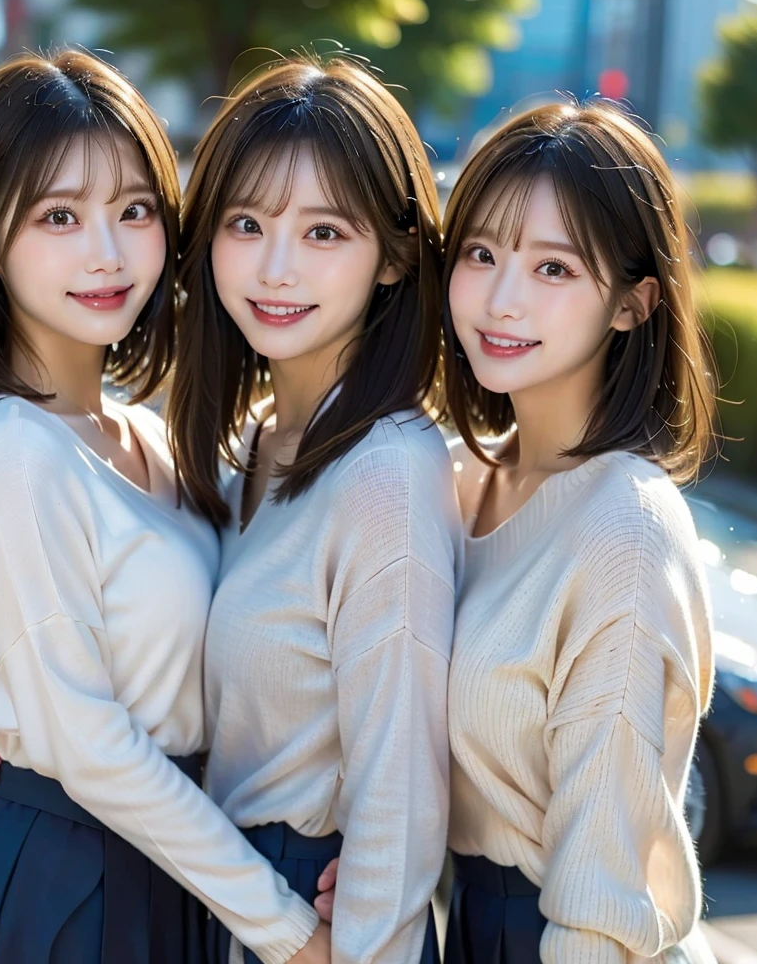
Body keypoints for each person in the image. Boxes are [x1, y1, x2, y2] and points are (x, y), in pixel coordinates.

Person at [0, 49, 328, 964]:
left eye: (134, 210)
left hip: (168, 874)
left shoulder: (154, 437)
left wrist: (13, 729)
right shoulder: (10, 445)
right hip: (61, 894)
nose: (107, 251)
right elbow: (89, 747)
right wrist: (290, 933)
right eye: (59, 216)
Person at [168, 56, 460, 964]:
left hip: (311, 919)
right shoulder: (252, 443)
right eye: (245, 223)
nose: (276, 266)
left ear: (397, 255)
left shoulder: (387, 473)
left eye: (325, 232)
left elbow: (400, 795)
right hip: (226, 895)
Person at [440, 100, 716, 963]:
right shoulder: (455, 480)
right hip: (471, 924)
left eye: (553, 269)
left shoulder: (623, 530)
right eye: (482, 253)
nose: (502, 297)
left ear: (634, 305)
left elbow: (602, 901)